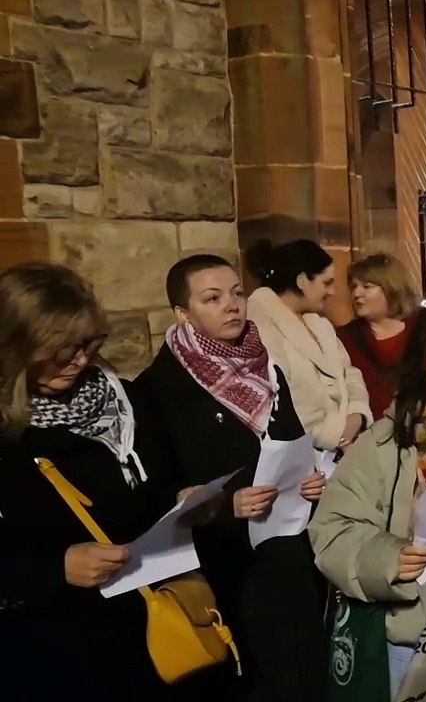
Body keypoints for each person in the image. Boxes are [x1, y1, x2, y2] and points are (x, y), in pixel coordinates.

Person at [0, 263, 222, 699]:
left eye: (88, 344)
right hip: (53, 654)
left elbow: (159, 481)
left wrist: (185, 501)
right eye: (61, 349)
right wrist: (55, 568)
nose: (80, 360)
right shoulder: (9, 434)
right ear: (14, 346)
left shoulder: (125, 398)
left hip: (152, 631)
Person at [133, 254, 329, 701]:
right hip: (229, 567)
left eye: (237, 293)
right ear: (183, 313)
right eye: (212, 298)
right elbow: (156, 487)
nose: (232, 305)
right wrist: (224, 506)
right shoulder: (157, 388)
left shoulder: (267, 368)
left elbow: (292, 442)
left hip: (289, 549)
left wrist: (310, 480)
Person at [311, 300, 426, 697]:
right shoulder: (389, 441)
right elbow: (331, 528)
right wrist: (386, 559)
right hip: (415, 638)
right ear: (421, 364)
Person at [245, 239, 373, 458]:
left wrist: (356, 414)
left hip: (347, 444)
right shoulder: (260, 325)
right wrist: (336, 435)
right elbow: (282, 397)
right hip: (308, 459)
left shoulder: (320, 322)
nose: (332, 291)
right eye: (326, 283)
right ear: (303, 281)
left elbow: (349, 372)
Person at [338, 253, 420, 420]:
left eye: (367, 287)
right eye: (353, 286)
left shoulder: (423, 328)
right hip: (370, 435)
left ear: (391, 288)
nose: (356, 294)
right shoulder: (344, 338)